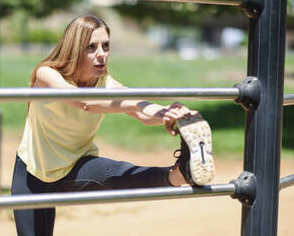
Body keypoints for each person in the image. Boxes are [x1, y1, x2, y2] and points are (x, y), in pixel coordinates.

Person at [11, 15, 215, 236]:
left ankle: (179, 175)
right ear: (74, 48)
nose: (101, 55)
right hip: (31, 174)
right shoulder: (47, 74)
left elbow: (140, 109)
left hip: (75, 166)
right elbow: (84, 101)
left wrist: (167, 114)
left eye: (106, 46)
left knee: (115, 172)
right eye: (91, 47)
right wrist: (137, 103)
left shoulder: (108, 84)